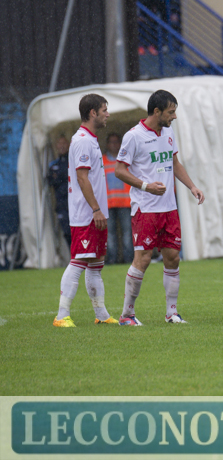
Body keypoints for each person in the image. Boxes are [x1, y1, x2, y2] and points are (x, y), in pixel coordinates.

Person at [114, 90, 205, 325]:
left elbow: (174, 162)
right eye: (171, 112)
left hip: (169, 208)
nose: (174, 117)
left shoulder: (168, 132)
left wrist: (192, 186)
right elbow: (119, 170)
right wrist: (145, 186)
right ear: (157, 112)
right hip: (146, 208)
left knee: (173, 257)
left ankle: (171, 313)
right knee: (142, 260)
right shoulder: (133, 136)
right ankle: (127, 315)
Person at [53, 94, 117, 327]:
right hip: (86, 213)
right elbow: (82, 178)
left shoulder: (90, 139)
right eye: (104, 110)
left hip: (96, 213)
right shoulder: (81, 140)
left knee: (96, 263)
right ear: (93, 113)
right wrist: (96, 209)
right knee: (79, 260)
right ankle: (61, 315)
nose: (107, 114)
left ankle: (101, 315)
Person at [103, 133, 133, 265]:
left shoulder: (126, 159)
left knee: (127, 233)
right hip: (108, 204)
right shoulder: (102, 161)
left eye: (116, 142)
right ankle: (112, 260)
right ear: (107, 144)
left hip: (125, 203)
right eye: (111, 142)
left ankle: (129, 259)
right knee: (110, 234)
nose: (114, 145)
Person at [47, 136, 71, 246]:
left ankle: (82, 256)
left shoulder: (73, 161)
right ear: (56, 146)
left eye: (64, 143)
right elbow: (51, 181)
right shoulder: (53, 165)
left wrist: (60, 177)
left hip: (75, 202)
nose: (62, 146)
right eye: (59, 143)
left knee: (78, 230)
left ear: (69, 144)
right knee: (66, 231)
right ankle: (74, 256)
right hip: (61, 204)